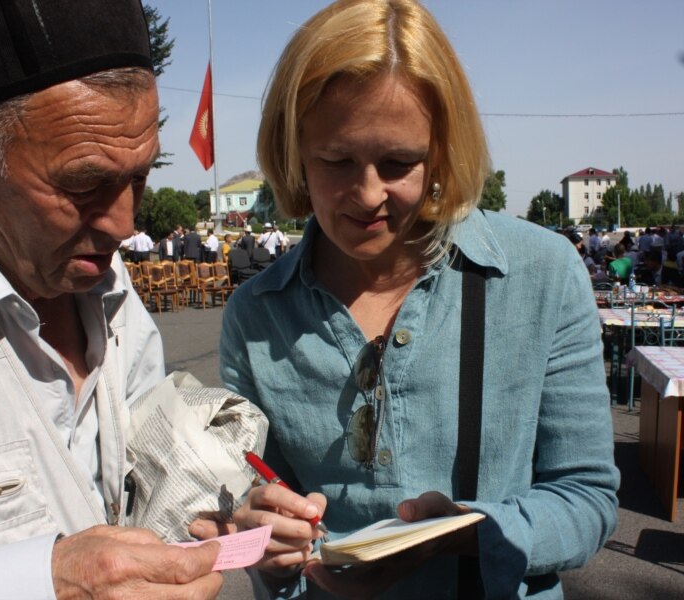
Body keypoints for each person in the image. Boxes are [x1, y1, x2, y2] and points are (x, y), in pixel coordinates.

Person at [214, 1, 619, 598]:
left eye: (398, 162)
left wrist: (468, 533)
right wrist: (267, 545)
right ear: (294, 150)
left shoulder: (541, 273)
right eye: (336, 161)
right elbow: (258, 513)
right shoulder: (255, 317)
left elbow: (586, 498)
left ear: (442, 151)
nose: (367, 194)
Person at [0, 1, 223, 598]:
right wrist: (43, 585)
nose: (123, 224)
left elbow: (139, 462)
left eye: (139, 177)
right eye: (84, 185)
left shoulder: (109, 285)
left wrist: (219, 510)